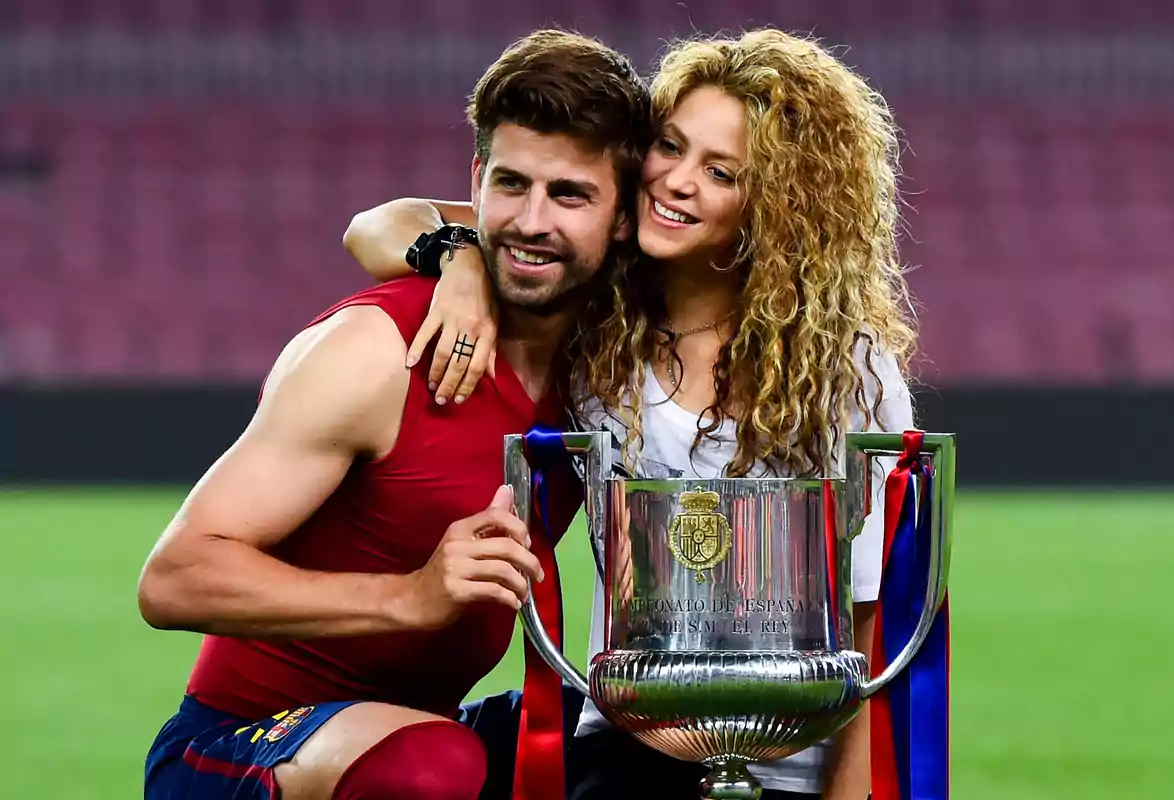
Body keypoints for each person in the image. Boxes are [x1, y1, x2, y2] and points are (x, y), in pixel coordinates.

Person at [342, 27, 917, 800]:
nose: (676, 181)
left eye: (720, 171)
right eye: (670, 147)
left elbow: (869, 621)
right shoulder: (599, 312)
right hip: (625, 748)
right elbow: (377, 225)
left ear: (776, 206)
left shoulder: (844, 368)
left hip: (790, 765)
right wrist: (461, 259)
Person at [136, 29, 651, 800]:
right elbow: (173, 579)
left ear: (621, 216)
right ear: (476, 180)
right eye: (510, 185)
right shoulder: (379, 351)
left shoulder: (607, 356)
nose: (532, 221)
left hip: (426, 729)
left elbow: (389, 220)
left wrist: (459, 253)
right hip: (242, 746)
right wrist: (410, 595)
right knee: (433, 770)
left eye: (570, 194)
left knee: (651, 742)